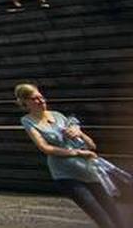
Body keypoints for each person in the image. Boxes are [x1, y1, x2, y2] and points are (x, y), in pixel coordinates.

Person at [17, 84, 128, 228]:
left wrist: (79, 132)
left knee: (114, 212)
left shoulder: (58, 115)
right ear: (25, 102)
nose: (41, 101)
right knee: (100, 216)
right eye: (35, 98)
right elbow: (45, 148)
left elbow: (91, 146)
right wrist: (78, 152)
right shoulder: (28, 120)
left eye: (41, 97)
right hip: (66, 174)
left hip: (89, 171)